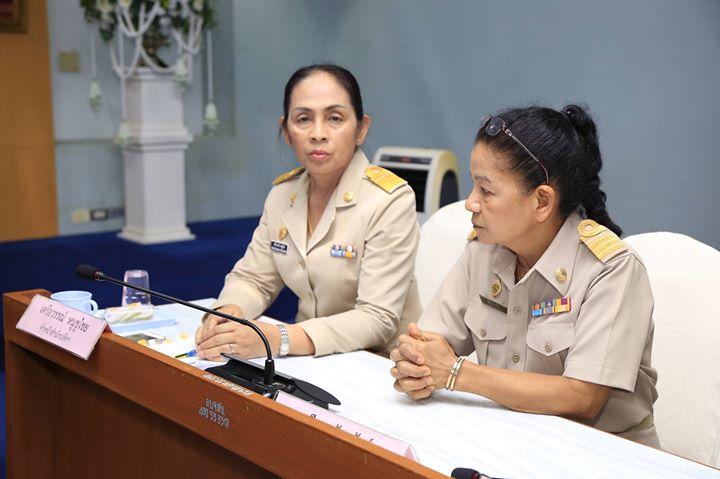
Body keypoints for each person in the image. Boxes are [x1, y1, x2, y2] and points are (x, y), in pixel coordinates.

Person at [390, 105, 659, 447]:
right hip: (510, 440)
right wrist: (414, 365)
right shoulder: (483, 251)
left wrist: (456, 373)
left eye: (486, 190)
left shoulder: (611, 269)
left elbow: (582, 396)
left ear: (542, 202)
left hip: (605, 451)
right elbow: (428, 346)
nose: (470, 203)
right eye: (473, 186)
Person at [196, 64, 421, 360]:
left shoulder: (389, 201)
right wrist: (228, 314)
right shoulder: (282, 194)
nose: (318, 134)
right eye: (303, 119)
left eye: (335, 118)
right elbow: (254, 279)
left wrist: (278, 339)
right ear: (286, 131)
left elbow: (377, 318)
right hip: (306, 359)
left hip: (381, 364)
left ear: (361, 129)